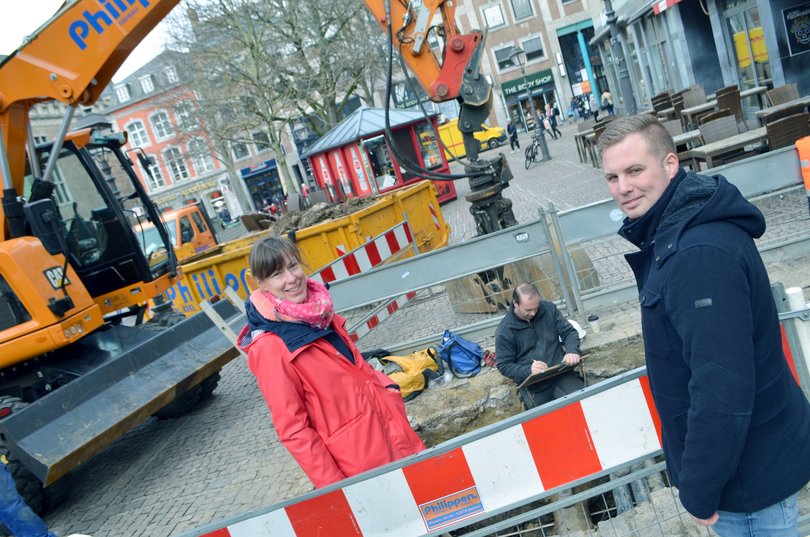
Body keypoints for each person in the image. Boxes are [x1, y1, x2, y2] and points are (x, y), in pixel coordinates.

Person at [598, 114, 810, 536]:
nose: (623, 187)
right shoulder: (683, 231)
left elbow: (721, 387)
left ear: (670, 165)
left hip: (746, 483)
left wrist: (699, 489)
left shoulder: (697, 256)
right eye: (613, 176)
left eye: (635, 170)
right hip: (750, 468)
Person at [237, 236, 426, 488]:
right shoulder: (270, 347)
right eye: (277, 274)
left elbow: (359, 371)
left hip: (392, 434)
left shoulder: (320, 313)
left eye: (293, 266)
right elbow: (294, 430)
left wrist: (388, 391)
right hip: (359, 468)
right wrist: (336, 488)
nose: (291, 278)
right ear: (262, 284)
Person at [495, 283, 583, 409]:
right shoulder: (505, 330)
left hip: (560, 371)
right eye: (528, 310)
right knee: (545, 419)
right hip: (533, 384)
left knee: (581, 400)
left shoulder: (549, 309)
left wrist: (572, 350)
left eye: (536, 308)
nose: (533, 313)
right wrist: (529, 370)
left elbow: (569, 332)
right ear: (515, 303)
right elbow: (504, 365)